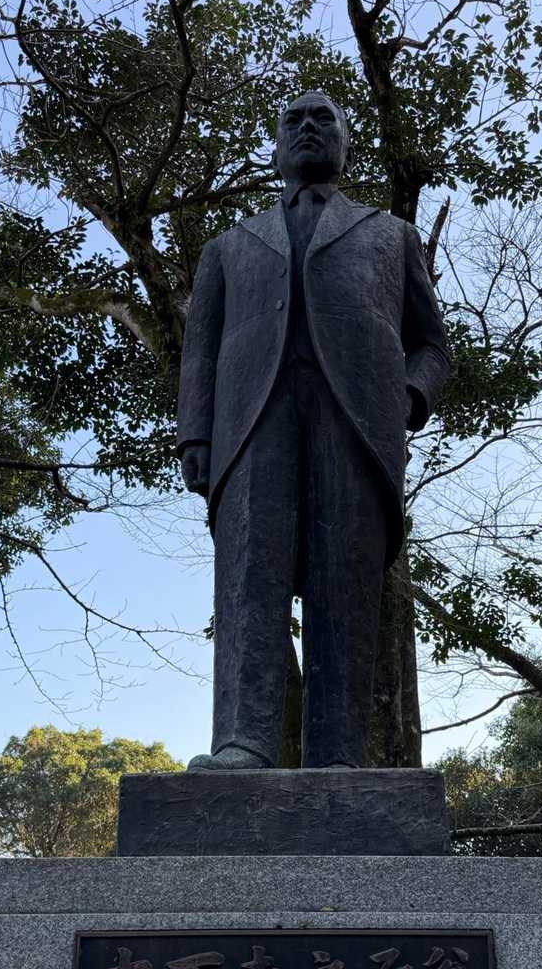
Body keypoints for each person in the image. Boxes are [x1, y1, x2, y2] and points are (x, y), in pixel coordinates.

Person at [177, 91, 450, 769]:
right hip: (252, 419)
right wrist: (196, 435)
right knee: (249, 574)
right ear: (274, 148)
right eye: (292, 120)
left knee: (344, 582)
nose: (307, 127)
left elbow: (432, 345)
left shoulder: (390, 236)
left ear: (346, 142)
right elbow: (200, 350)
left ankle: (338, 754)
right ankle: (243, 741)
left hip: (356, 419)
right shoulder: (229, 246)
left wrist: (406, 397)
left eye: (323, 117)